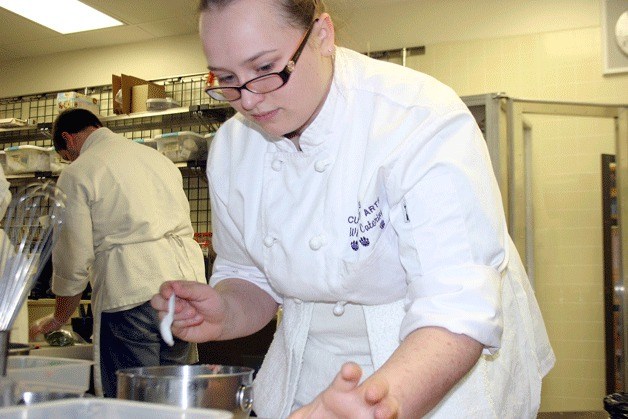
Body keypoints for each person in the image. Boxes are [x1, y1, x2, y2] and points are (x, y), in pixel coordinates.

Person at [151, 0, 556, 417]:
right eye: (228, 78)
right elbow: (250, 275)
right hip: (314, 367)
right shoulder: (234, 149)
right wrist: (227, 310)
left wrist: (374, 405)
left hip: (436, 366)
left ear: (322, 35)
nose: (249, 100)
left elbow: (456, 305)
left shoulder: (417, 117)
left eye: (265, 69)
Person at [29, 108, 206, 398]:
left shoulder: (79, 171)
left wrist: (60, 316)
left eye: (66, 155)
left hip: (131, 291)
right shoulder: (158, 160)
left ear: (68, 140)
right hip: (182, 291)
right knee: (173, 397)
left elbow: (73, 255)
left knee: (132, 400)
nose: (69, 161)